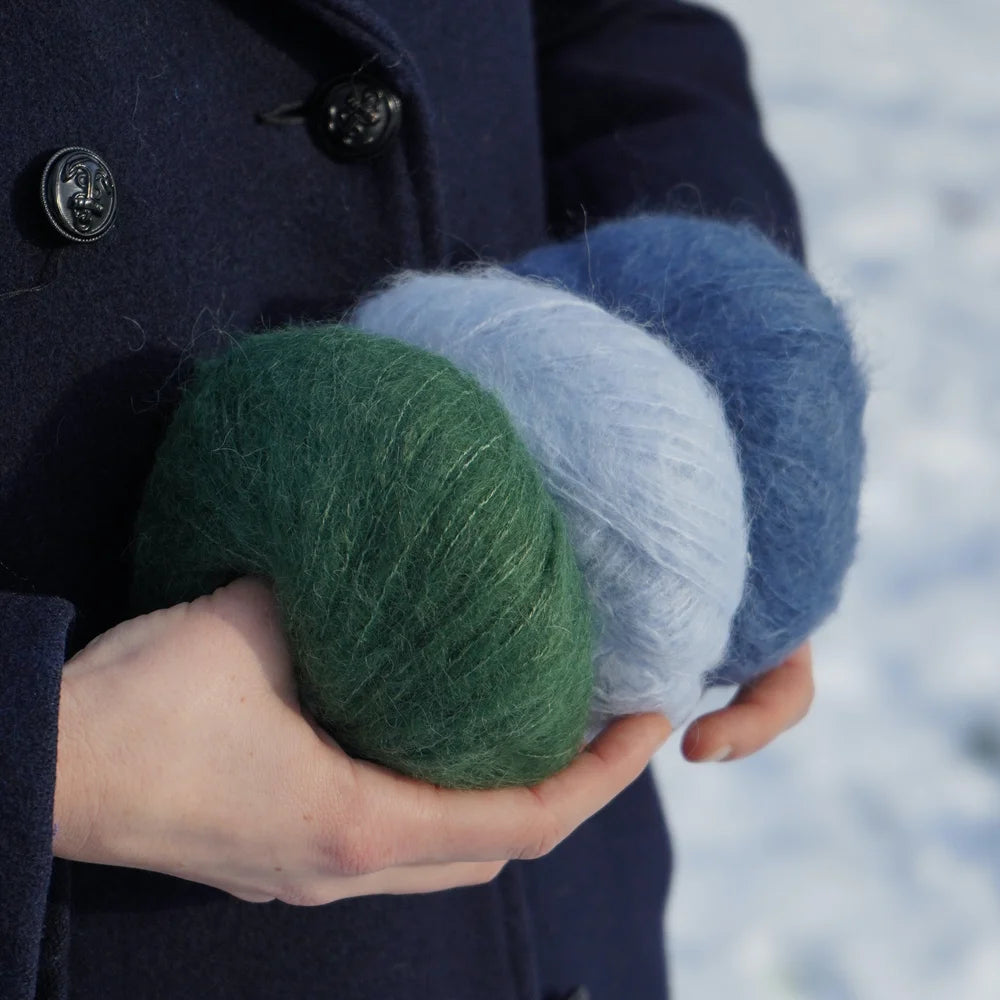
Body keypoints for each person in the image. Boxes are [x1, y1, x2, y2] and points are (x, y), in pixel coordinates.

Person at [0, 1, 815, 997]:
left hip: (550, 836)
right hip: (106, 905)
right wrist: (50, 754)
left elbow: (612, 24)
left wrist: (736, 383)